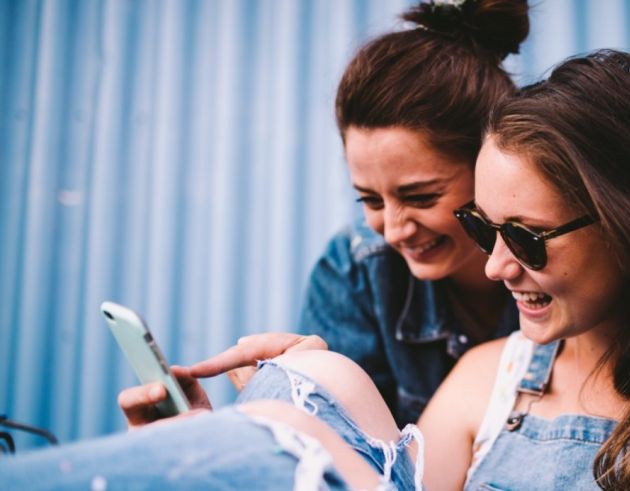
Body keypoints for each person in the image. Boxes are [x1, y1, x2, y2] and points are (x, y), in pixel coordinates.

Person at [4, 48, 630, 490]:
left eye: (530, 236)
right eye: (485, 226)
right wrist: (210, 451)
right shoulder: (491, 377)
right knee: (316, 379)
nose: (495, 263)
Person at [127, 0, 532, 428]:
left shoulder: (569, 267)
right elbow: (338, 457)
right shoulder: (356, 269)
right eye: (371, 201)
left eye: (421, 197)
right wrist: (307, 397)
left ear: (491, 165)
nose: (393, 230)